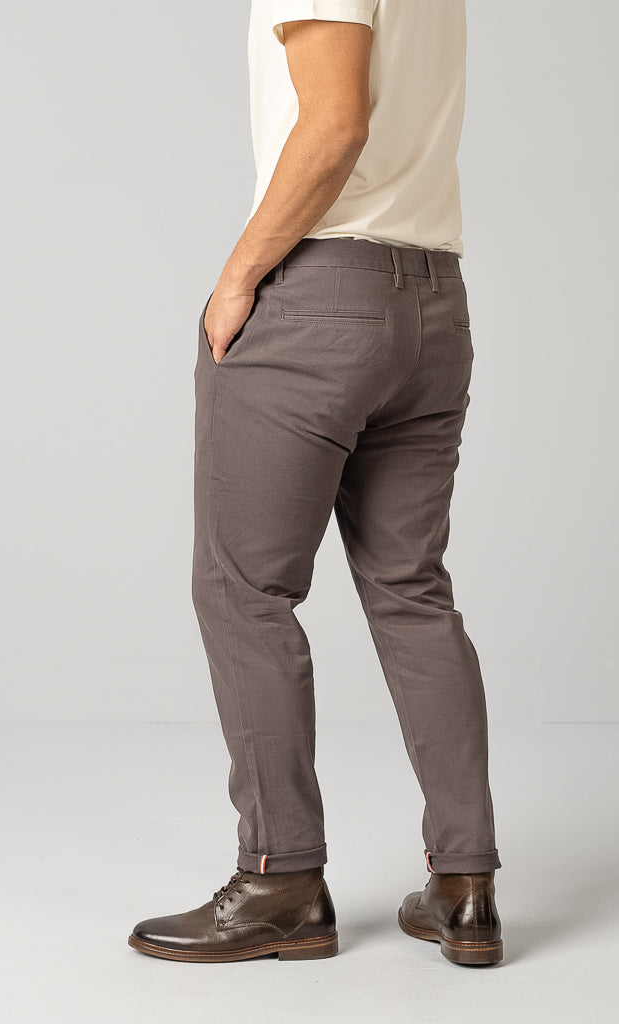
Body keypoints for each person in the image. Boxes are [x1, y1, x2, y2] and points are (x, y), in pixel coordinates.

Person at [128, 0, 503, 966]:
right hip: (434, 301)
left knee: (243, 589)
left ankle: (280, 877)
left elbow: (335, 124)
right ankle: (465, 887)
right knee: (412, 591)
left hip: (321, 297)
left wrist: (238, 278)